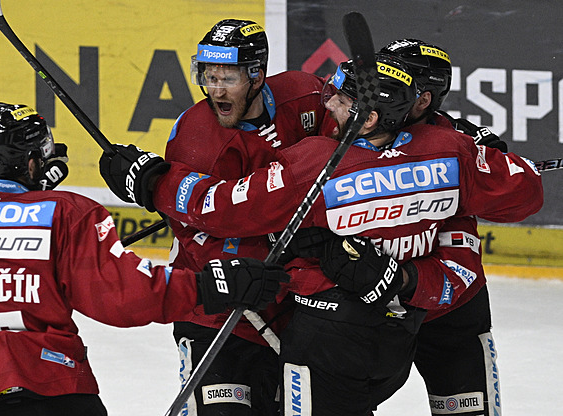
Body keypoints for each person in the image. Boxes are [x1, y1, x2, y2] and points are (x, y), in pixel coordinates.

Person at [113, 52, 543, 415]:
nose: (329, 106)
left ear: (370, 116)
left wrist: (153, 181)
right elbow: (525, 190)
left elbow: (221, 209)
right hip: (398, 334)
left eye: (340, 99)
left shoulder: (314, 165)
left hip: (327, 333)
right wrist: (476, 147)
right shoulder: (449, 150)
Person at [0, 102, 290, 416]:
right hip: (52, 387)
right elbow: (124, 294)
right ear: (30, 160)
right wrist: (207, 287)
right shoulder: (65, 212)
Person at [101, 18, 336, 415]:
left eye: (228, 78)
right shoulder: (196, 138)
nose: (215, 90)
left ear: (258, 75)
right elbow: (200, 234)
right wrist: (259, 263)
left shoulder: (305, 94)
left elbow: (354, 145)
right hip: (216, 312)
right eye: (209, 77)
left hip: (295, 310)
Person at [380, 38, 507, 415]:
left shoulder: (461, 143)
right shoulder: (349, 127)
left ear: (423, 99)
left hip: (451, 306)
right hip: (367, 301)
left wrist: (491, 163)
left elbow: (504, 184)